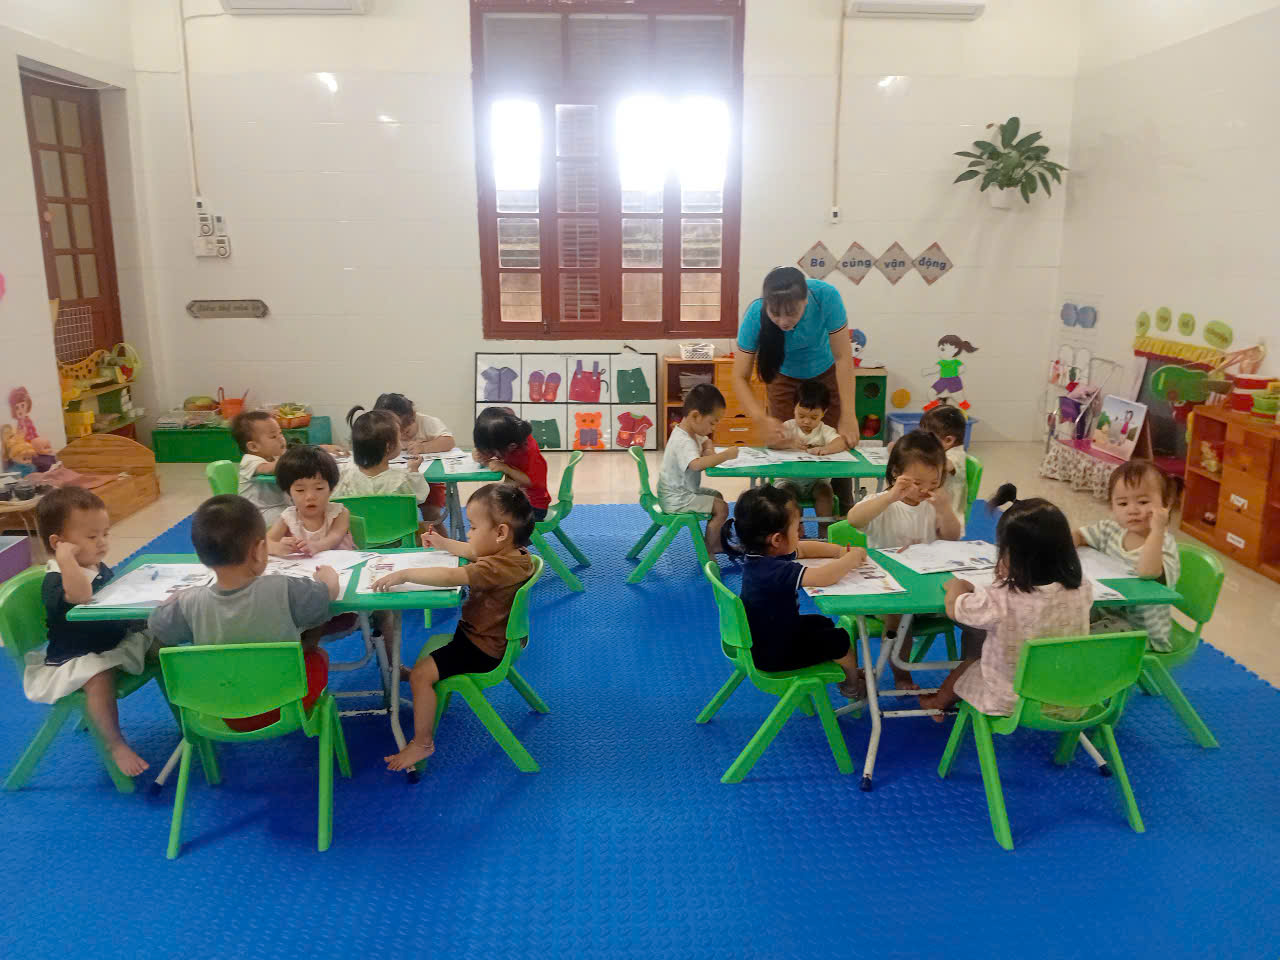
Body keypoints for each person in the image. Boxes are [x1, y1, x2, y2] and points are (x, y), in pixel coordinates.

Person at [375, 484, 538, 770]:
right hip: (497, 641)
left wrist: (406, 574)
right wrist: (442, 542)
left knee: (420, 676)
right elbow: (473, 551)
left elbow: (452, 576)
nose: (469, 534)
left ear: (500, 532)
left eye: (473, 527)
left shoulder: (494, 568)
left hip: (481, 650)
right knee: (426, 665)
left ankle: (423, 743)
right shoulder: (515, 557)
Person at [148, 495, 341, 732]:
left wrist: (176, 598)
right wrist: (329, 578)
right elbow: (326, 595)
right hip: (287, 703)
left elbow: (157, 624)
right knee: (317, 655)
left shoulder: (188, 602)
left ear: (201, 557)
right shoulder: (284, 588)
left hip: (216, 706)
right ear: (260, 550)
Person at [919, 496, 1093, 720]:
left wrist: (957, 585)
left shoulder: (999, 598)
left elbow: (955, 609)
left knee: (972, 662)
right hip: (1068, 698)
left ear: (1012, 556)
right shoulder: (1082, 588)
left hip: (1010, 700)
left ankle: (937, 703)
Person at [24, 487, 153, 776]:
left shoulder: (91, 564)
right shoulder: (58, 578)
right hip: (77, 657)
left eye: (105, 533)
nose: (102, 542)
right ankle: (115, 744)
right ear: (58, 543)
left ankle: (193, 706)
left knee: (161, 636)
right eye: (92, 537)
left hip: (110, 641)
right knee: (98, 677)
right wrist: (66, 559)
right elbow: (81, 595)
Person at [730, 266, 859, 509]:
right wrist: (760, 419)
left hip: (826, 373)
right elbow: (739, 376)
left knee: (836, 444)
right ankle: (786, 513)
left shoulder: (825, 297)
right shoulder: (755, 314)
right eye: (775, 313)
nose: (783, 321)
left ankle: (844, 513)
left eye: (791, 312)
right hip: (783, 377)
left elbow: (843, 358)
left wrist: (849, 414)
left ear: (805, 300)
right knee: (784, 442)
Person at [845, 430, 963, 688]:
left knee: (971, 604)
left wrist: (944, 509)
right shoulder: (883, 504)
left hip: (928, 586)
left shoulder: (934, 504)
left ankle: (967, 674)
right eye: (917, 483)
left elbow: (952, 537)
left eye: (934, 483)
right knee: (898, 620)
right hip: (887, 591)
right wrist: (890, 496)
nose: (925, 490)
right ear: (897, 474)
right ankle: (901, 674)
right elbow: (853, 519)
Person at [734, 485, 867, 699]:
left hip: (764, 637)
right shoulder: (774, 570)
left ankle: (845, 670)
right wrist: (850, 559)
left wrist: (840, 551)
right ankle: (852, 685)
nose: (801, 533)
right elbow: (824, 577)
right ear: (777, 539)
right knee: (839, 640)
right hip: (773, 653)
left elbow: (803, 549)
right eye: (797, 529)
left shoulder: (762, 556)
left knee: (822, 623)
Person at [1072, 460, 1179, 651]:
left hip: (1142, 633)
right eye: (1122, 503)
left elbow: (1147, 572)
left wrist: (1157, 530)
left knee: (1076, 640)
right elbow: (1079, 536)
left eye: (1143, 502)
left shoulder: (1163, 543)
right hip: (1107, 613)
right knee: (1066, 617)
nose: (1132, 510)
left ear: (1166, 503)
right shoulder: (1110, 529)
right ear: (1112, 507)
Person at [657, 383, 738, 555]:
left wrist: (708, 449)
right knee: (722, 508)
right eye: (712, 423)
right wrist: (725, 455)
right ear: (695, 416)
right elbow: (696, 464)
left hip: (680, 492)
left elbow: (706, 441)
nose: (713, 428)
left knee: (717, 496)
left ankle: (714, 541)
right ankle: (710, 548)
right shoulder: (684, 441)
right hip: (677, 499)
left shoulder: (690, 432)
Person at [769, 378, 848, 537]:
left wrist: (825, 449)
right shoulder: (788, 427)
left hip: (817, 481)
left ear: (823, 413)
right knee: (787, 499)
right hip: (788, 480)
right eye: (801, 415)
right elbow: (770, 442)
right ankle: (796, 531)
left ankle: (824, 532)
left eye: (813, 417)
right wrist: (788, 442)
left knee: (826, 495)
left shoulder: (824, 430)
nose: (806, 421)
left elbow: (841, 443)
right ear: (794, 409)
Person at [334, 407, 430, 526]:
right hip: (397, 534)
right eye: (399, 439)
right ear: (388, 447)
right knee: (427, 528)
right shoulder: (403, 480)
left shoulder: (345, 477)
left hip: (358, 536)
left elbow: (333, 500)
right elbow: (421, 496)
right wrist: (413, 470)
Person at [372, 392, 453, 528]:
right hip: (393, 481)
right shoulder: (383, 430)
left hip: (429, 480)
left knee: (431, 514)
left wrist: (424, 447)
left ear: (413, 416)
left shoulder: (427, 422)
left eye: (407, 431)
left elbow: (449, 441)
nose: (403, 437)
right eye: (397, 434)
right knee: (390, 513)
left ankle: (440, 540)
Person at [267, 444, 354, 556]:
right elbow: (265, 543)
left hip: (341, 565)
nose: (310, 496)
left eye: (319, 488)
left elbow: (334, 537)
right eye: (300, 490)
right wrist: (277, 547)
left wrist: (316, 546)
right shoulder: (289, 517)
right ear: (289, 492)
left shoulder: (339, 513)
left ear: (331, 489)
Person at [472, 407, 552, 522]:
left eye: (492, 450)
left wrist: (506, 468)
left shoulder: (529, 452)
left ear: (511, 446)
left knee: (491, 517)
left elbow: (530, 481)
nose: (492, 454)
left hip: (533, 507)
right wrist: (481, 454)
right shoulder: (510, 438)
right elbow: (497, 452)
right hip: (517, 496)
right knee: (487, 508)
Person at [231, 410, 290, 526]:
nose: (281, 438)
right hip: (257, 513)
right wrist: (290, 457)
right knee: (295, 518)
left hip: (277, 506)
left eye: (280, 433)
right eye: (273, 436)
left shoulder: (274, 456)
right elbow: (267, 469)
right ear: (253, 446)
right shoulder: (249, 460)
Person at [920, 404, 970, 536]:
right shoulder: (943, 451)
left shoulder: (956, 455)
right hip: (935, 510)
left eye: (928, 437)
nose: (923, 441)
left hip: (948, 517)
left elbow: (944, 465)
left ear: (948, 440)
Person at [922, 335, 978, 411]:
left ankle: (964, 406)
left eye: (943, 349)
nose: (940, 352)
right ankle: (934, 404)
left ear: (955, 349)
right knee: (931, 392)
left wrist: (956, 372)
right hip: (943, 380)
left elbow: (962, 368)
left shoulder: (956, 362)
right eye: (940, 349)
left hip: (954, 380)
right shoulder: (941, 362)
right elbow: (935, 369)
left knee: (957, 396)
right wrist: (928, 371)